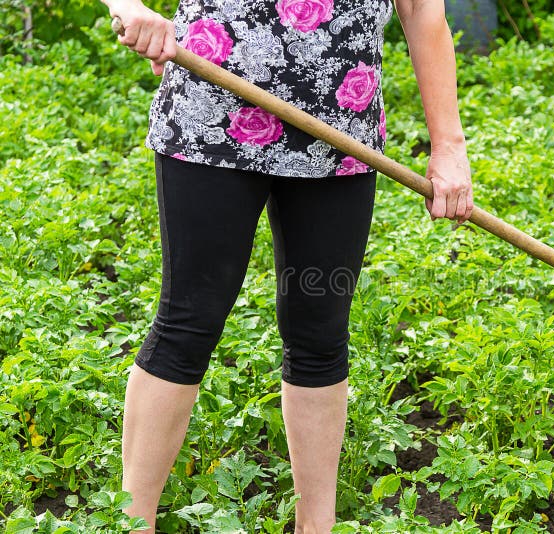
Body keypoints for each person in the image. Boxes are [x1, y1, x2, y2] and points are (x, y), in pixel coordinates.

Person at [99, 0, 473, 532]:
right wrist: (128, 6)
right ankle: (132, 524)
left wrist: (449, 146)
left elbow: (422, 12)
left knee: (320, 332)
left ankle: (313, 527)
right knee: (189, 320)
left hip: (340, 134)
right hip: (212, 118)